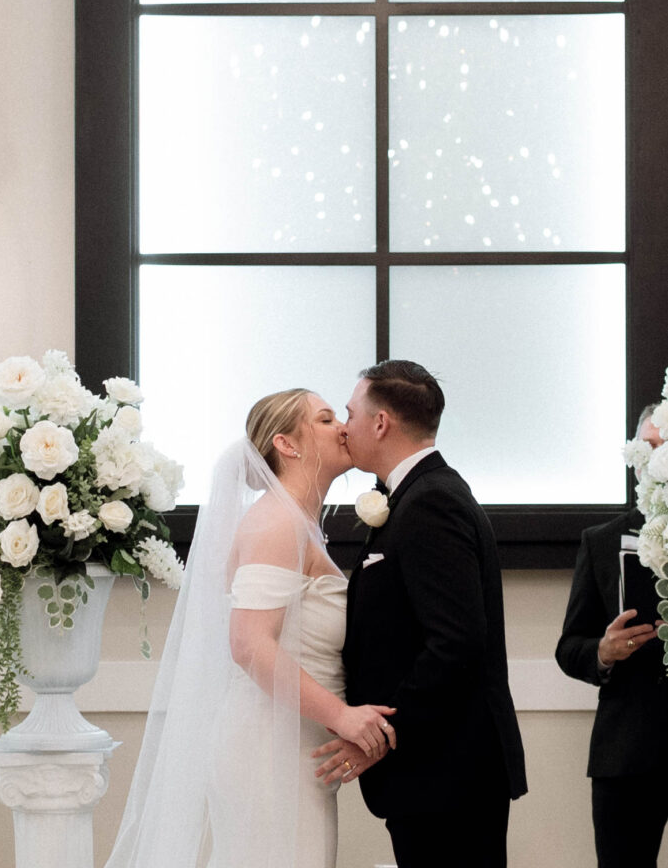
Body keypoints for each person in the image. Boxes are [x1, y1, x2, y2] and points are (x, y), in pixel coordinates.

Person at [105, 387, 395, 868]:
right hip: (266, 750)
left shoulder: (298, 524)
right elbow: (249, 645)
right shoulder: (275, 522)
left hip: (294, 744)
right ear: (287, 444)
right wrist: (343, 717)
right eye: (325, 420)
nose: (343, 427)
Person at [315, 360, 527, 868]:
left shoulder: (431, 502)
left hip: (449, 771)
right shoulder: (419, 494)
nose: (344, 426)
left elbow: (456, 644)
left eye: (350, 413)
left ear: (381, 423)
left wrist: (382, 735)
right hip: (438, 773)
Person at [556, 405, 668, 868]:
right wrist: (602, 652)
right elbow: (570, 648)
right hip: (628, 751)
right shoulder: (602, 541)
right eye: (651, 447)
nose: (658, 458)